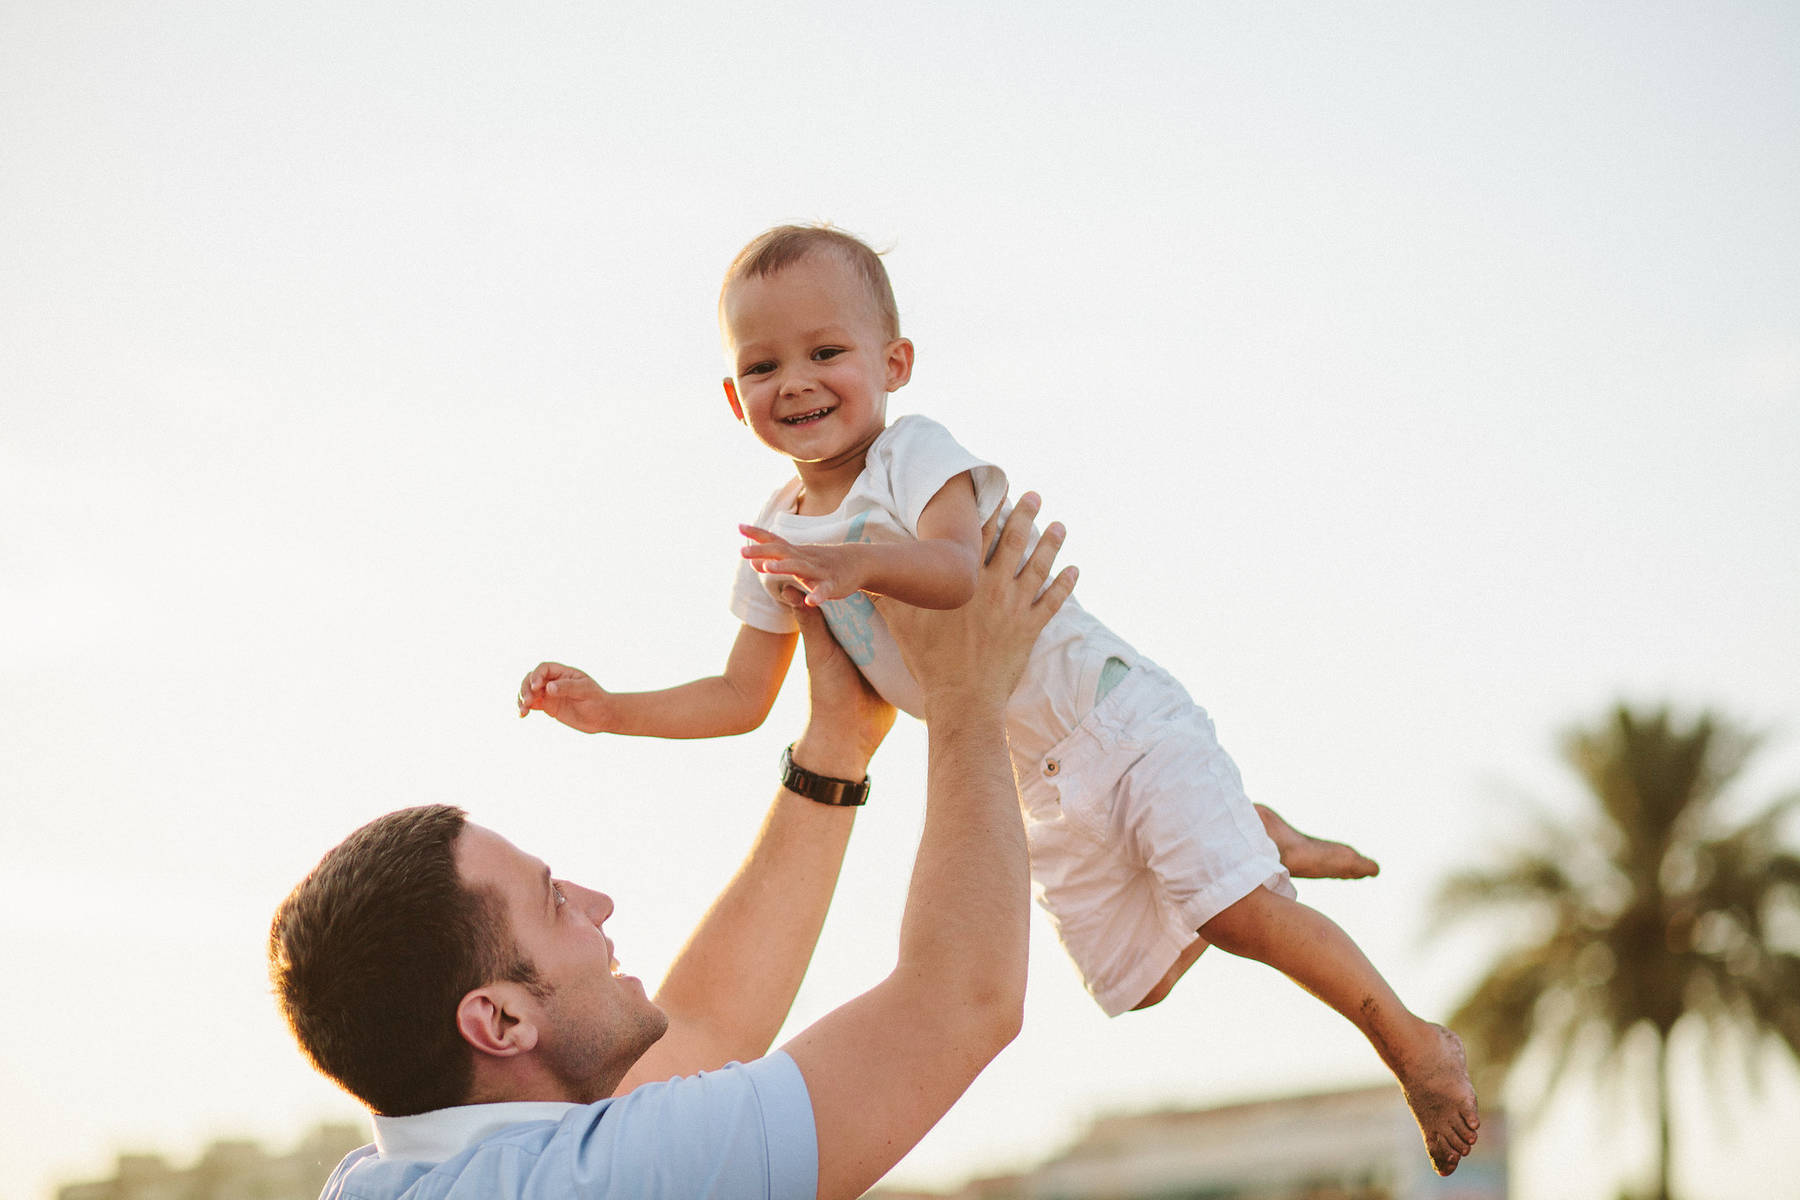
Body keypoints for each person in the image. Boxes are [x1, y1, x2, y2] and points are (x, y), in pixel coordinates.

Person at [516, 225, 1479, 1175]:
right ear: (735, 398)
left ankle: (1414, 1045)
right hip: (1033, 774)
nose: (797, 381)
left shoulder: (913, 459)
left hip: (1115, 720)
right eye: (764, 365)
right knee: (1136, 982)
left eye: (827, 352)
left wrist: (850, 563)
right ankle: (1246, 834)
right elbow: (740, 695)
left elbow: (953, 572)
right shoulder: (776, 531)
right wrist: (610, 708)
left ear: (893, 363)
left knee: (1232, 914)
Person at [271, 497, 1077, 1199]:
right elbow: (958, 1002)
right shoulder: (590, 1187)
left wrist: (837, 744)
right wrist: (970, 686)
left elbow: (704, 1029)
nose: (597, 904)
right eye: (554, 904)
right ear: (500, 1020)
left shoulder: (398, 1176)